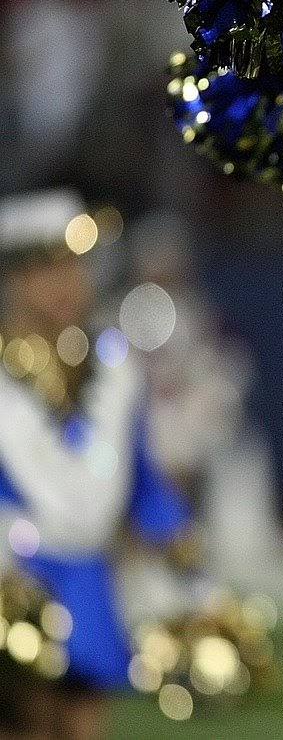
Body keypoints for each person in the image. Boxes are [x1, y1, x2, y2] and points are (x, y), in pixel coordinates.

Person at [0, 189, 191, 740]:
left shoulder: (110, 370)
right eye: (50, 268)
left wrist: (178, 547)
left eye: (76, 266)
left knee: (84, 723)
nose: (69, 284)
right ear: (17, 277)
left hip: (87, 575)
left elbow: (139, 479)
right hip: (15, 580)